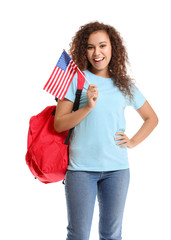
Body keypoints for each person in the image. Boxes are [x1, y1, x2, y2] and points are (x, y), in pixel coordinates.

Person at [54, 21, 158, 240]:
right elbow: (59, 124)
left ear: (113, 48)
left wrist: (133, 141)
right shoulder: (75, 79)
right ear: (84, 50)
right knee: (78, 235)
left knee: (112, 235)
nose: (97, 52)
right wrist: (87, 107)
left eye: (102, 45)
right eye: (90, 47)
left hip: (117, 171)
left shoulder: (125, 85)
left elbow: (151, 118)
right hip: (80, 170)